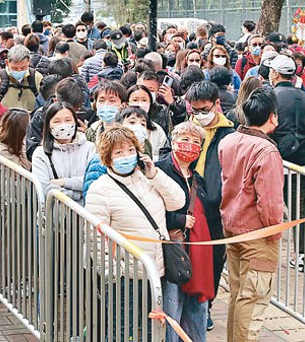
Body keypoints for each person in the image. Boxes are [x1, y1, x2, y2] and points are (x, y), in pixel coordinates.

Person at [85, 125, 186, 339]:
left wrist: (154, 174)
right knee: (122, 330)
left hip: (158, 272)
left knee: (154, 330)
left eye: (130, 150)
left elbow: (177, 201)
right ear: (108, 158)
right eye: (119, 152)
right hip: (126, 276)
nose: (126, 156)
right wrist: (117, 271)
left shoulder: (148, 178)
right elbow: (94, 238)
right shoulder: (100, 189)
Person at [219, 87, 284, 342]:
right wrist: (274, 230)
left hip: (232, 227)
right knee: (253, 298)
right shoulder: (267, 152)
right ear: (272, 117)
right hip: (258, 234)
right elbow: (270, 203)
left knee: (238, 294)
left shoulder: (229, 141)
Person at [157, 122, 214, 342]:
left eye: (196, 142)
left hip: (196, 250)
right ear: (173, 141)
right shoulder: (160, 170)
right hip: (172, 248)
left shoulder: (197, 178)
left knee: (196, 305)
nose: (189, 145)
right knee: (173, 303)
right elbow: (153, 209)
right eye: (185, 139)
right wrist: (179, 220)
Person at [185, 80, 235, 330]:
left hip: (216, 209)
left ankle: (207, 306)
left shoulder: (231, 133)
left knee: (214, 260)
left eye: (205, 110)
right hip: (189, 205)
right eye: (195, 110)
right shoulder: (187, 130)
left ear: (217, 104)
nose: (200, 116)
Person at [267, 54, 305, 272]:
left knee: (269, 210)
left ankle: (266, 256)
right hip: (300, 165)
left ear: (276, 74)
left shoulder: (271, 97)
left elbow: (266, 130)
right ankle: (302, 256)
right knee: (298, 212)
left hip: (276, 162)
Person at [32, 102, 96, 203]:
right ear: (48, 126)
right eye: (57, 121)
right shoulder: (40, 153)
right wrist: (76, 194)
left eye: (68, 120)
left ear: (75, 122)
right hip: (54, 214)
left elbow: (92, 181)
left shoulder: (90, 148)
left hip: (85, 213)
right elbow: (44, 188)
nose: (63, 125)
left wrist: (63, 182)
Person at [0, 45, 43, 112]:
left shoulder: (36, 78)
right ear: (7, 63)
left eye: (23, 68)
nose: (19, 71)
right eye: (14, 68)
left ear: (28, 62)